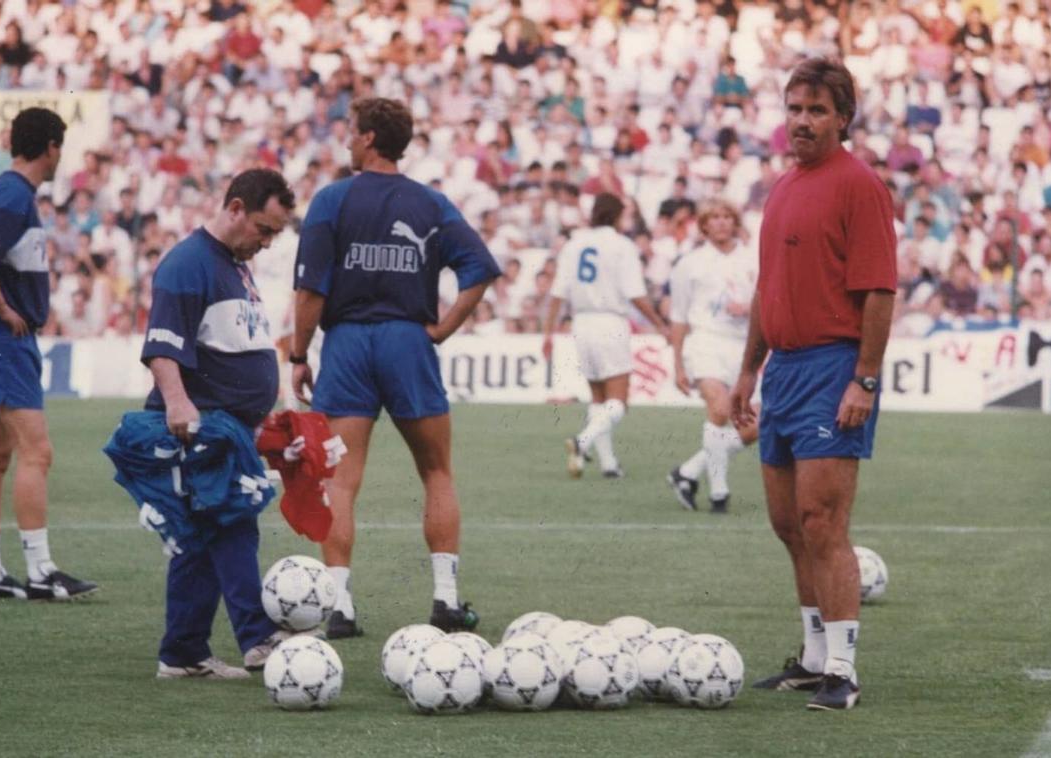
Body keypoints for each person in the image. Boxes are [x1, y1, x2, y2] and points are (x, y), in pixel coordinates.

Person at [291, 98, 500, 639]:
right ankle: (446, 600)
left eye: (350, 133)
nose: (345, 141)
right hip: (408, 341)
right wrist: (446, 325)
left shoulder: (332, 200)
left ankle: (340, 607)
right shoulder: (430, 203)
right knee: (436, 471)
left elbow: (311, 290)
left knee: (339, 480)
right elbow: (478, 268)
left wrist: (298, 353)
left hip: (348, 344)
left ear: (368, 139)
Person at [730, 59, 896, 711]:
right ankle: (812, 656)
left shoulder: (859, 186)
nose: (802, 120)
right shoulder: (782, 186)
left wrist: (866, 379)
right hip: (783, 371)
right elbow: (765, 290)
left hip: (834, 367)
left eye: (817, 110)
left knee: (821, 520)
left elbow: (880, 291)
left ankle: (845, 670)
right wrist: (748, 369)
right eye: (795, 107)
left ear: (843, 118)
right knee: (787, 524)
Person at [138, 168, 295, 678]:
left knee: (201, 537)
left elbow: (239, 345)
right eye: (264, 229)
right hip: (202, 423)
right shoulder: (188, 264)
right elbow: (163, 345)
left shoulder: (233, 264)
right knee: (232, 521)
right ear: (234, 210)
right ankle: (257, 637)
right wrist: (179, 404)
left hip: (231, 425)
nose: (267, 243)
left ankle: (182, 653)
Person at [0, 107, 97, 601]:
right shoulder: (15, 193)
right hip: (1, 337)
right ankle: (40, 568)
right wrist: (1, 305)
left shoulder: (10, 192)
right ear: (52, 147)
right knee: (37, 451)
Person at [541, 192, 668, 478]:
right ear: (616, 215)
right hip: (610, 322)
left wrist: (548, 333)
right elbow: (635, 293)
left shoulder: (574, 244)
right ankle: (581, 442)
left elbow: (557, 293)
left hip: (581, 323)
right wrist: (660, 324)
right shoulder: (623, 246)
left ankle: (609, 464)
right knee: (618, 402)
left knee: (598, 398)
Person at [666, 199, 759, 513]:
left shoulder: (753, 259)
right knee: (719, 409)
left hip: (744, 347)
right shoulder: (689, 264)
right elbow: (679, 316)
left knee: (757, 424)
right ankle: (719, 493)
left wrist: (749, 309)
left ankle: (688, 472)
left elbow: (768, 303)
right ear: (703, 225)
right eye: (714, 218)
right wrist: (677, 362)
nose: (720, 222)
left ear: (735, 222)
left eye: (726, 217)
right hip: (705, 342)